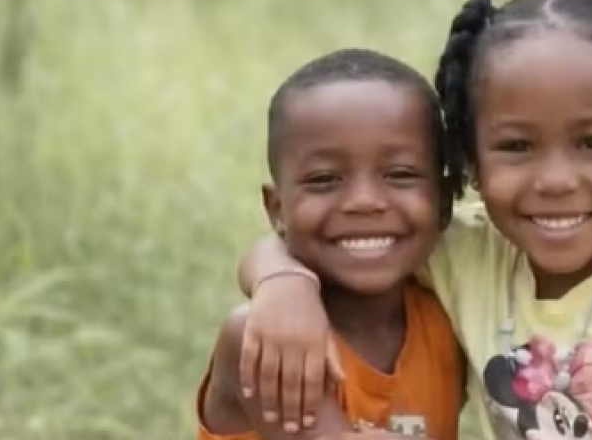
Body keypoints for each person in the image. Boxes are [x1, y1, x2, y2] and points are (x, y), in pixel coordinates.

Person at [236, 0, 592, 439]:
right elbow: (342, 236)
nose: (556, 180)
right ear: (470, 160)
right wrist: (281, 282)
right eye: (516, 146)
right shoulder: (472, 256)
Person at [197, 48, 467, 440]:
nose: (364, 202)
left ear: (443, 201)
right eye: (324, 179)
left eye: (400, 174)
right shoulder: (258, 336)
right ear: (277, 209)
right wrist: (280, 279)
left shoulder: (448, 316)